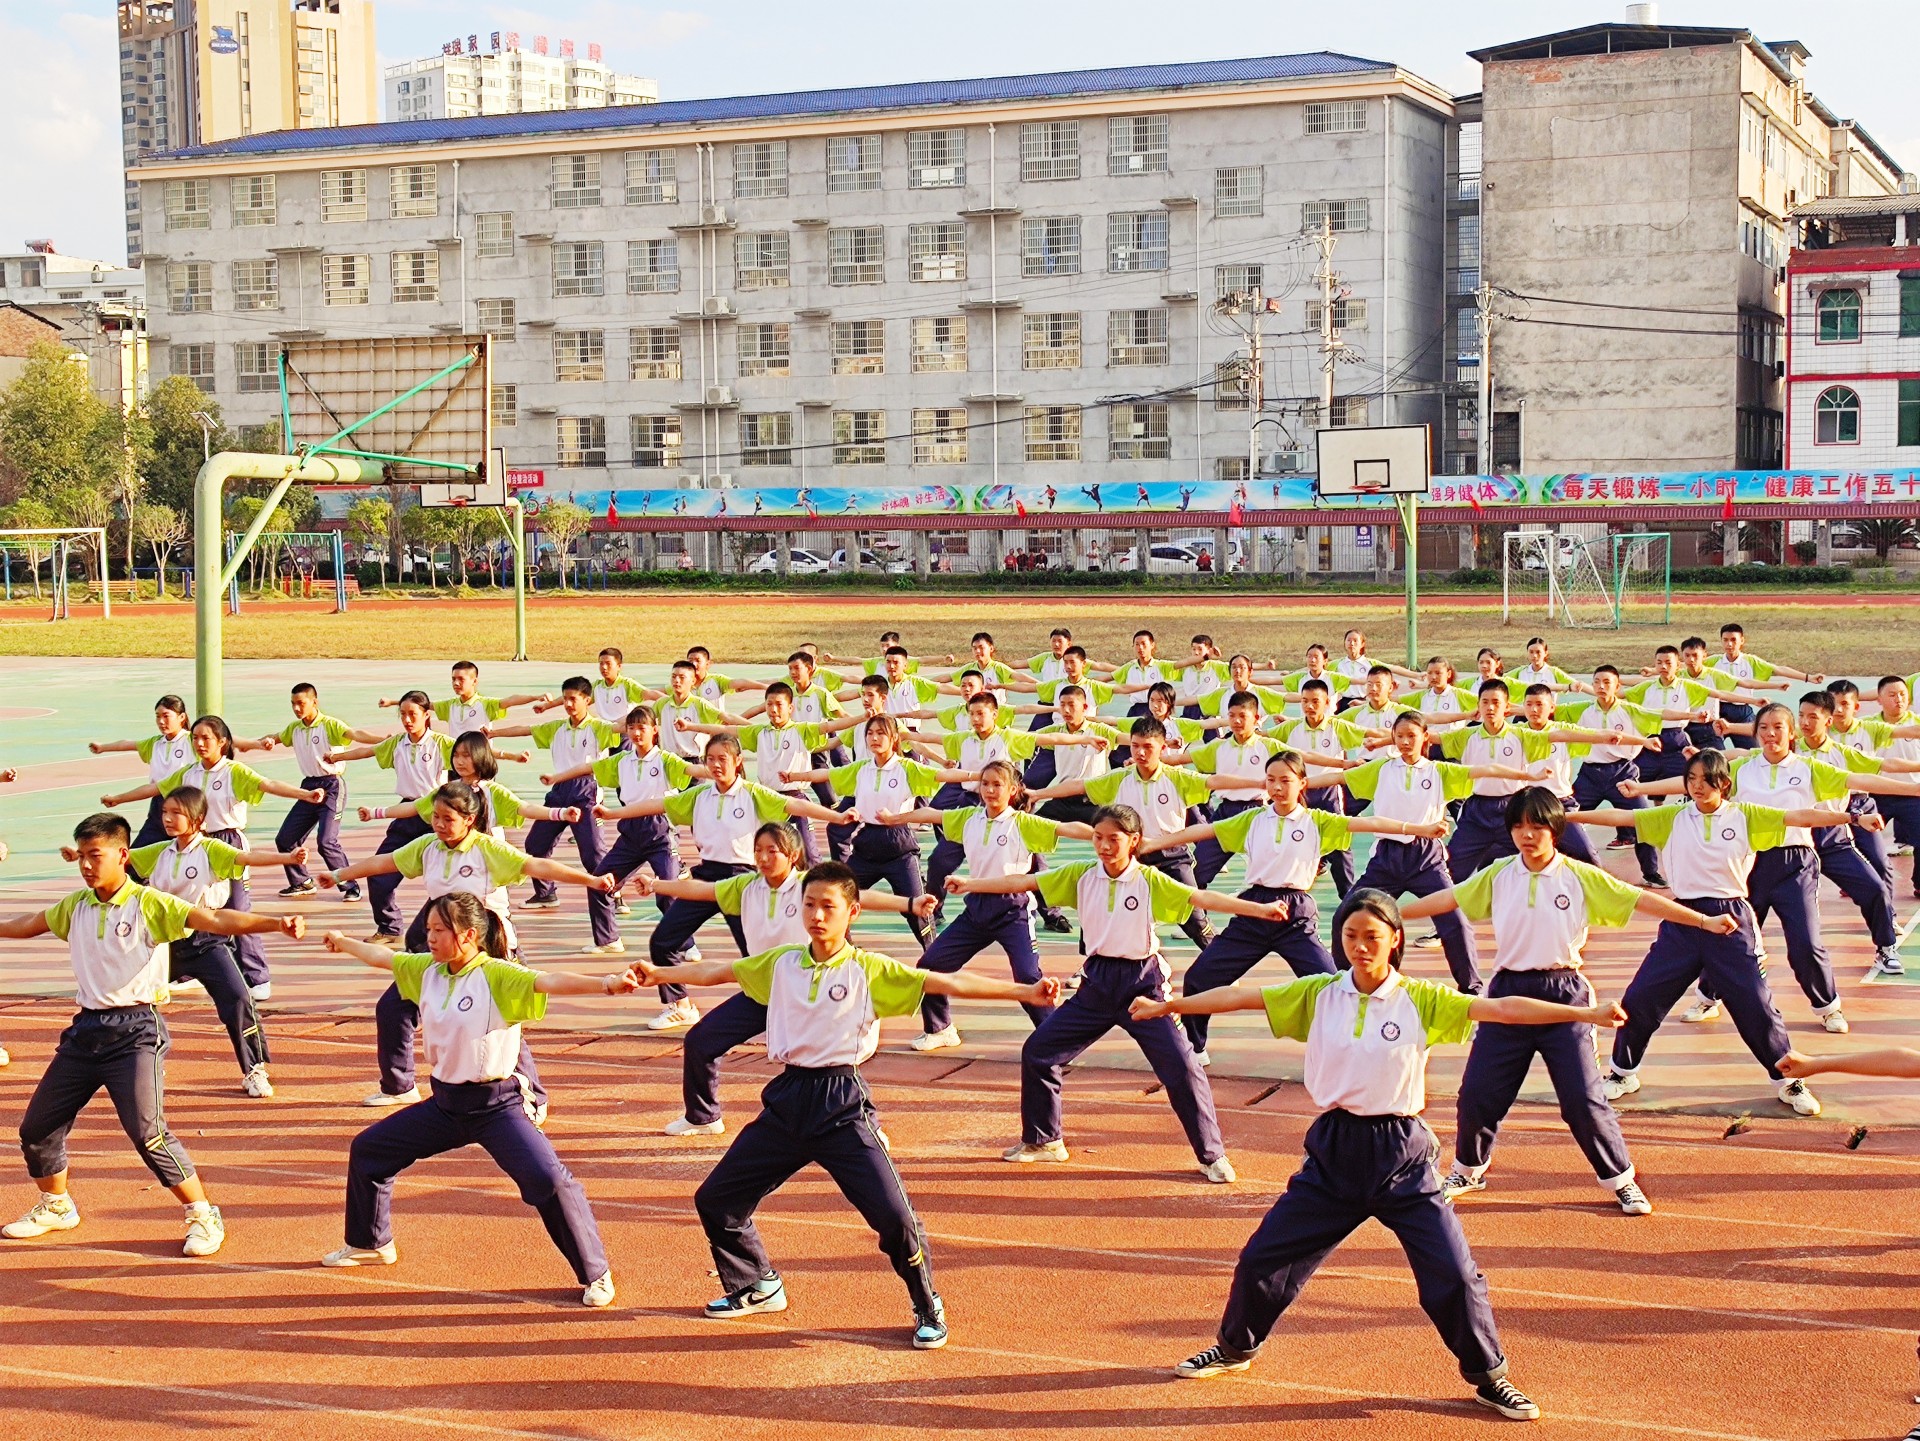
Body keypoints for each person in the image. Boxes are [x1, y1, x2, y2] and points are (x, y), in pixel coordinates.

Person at [1136, 887, 1624, 1422]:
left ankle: (1490, 1378)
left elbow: (1502, 1007)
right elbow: (1239, 997)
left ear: (1394, 941)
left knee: (1455, 1276)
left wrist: (1588, 1012)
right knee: (1262, 1260)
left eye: (1373, 937)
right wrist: (1169, 1005)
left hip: (1402, 1156)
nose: (1360, 947)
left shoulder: (1420, 998)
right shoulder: (1320, 992)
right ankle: (1235, 1348)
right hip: (1334, 1151)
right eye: (1350, 935)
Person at [636, 862, 1059, 1350]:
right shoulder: (782, 962)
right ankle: (757, 1284)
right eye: (809, 905)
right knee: (716, 1200)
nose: (816, 915)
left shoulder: (869, 969)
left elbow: (946, 983)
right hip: (788, 1101)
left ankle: (927, 1303)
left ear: (851, 912)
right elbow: (717, 971)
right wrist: (659, 973)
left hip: (842, 1104)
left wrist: (1024, 990)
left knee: (894, 1218)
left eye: (828, 907)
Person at [0, 812, 305, 1256]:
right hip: (86, 1031)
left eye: (95, 855)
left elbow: (217, 921)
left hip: (136, 1031)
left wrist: (277, 924)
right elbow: (26, 924)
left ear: (122, 855)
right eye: (81, 856)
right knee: (36, 1128)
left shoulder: (150, 904)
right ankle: (56, 1204)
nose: (86, 865)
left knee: (148, 1132)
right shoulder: (75, 906)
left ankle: (203, 1213)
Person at [1406, 788, 1722, 1215]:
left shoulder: (1578, 874)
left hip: (1565, 993)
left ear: (1554, 830)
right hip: (1507, 995)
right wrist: (1390, 910)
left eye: (1536, 826)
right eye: (1518, 826)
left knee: (1581, 1099)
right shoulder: (1500, 873)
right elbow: (1450, 899)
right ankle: (1467, 1169)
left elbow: (1642, 900)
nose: (1526, 835)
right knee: (1479, 1092)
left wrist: (1704, 920)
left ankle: (1621, 1180)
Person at [314, 894, 636, 1308]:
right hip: (445, 1104)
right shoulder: (427, 970)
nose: (428, 937)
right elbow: (382, 957)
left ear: (467, 936)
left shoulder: (497, 975)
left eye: (438, 930)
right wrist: (342, 941)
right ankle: (370, 1243)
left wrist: (607, 984)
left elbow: (549, 980)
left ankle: (596, 1272)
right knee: (369, 1150)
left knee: (549, 1181)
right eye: (428, 929)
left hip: (497, 1106)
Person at [950, 803, 1288, 1180]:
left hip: (1143, 986)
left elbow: (1201, 900)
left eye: (1114, 839)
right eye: (1098, 837)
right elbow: (1021, 882)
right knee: (1039, 1052)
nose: (1104, 846)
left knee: (1183, 1067)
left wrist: (1258, 910)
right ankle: (1045, 1140)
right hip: (1096, 984)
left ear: (1134, 841)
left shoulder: (1148, 880)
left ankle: (1211, 1155)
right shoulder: (1081, 874)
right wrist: (971, 884)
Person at [1570, 749, 1850, 1116]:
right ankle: (1623, 1073)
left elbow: (1799, 815)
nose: (1697, 787)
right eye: (1691, 780)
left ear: (1724, 783)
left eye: (1705, 780)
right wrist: (1565, 816)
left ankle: (1788, 1079)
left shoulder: (1746, 815)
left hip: (1731, 920)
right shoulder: (1672, 816)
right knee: (1640, 998)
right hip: (1682, 918)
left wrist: (1852, 817)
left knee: (1757, 1008)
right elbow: (1620, 816)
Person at [324, 779, 616, 1107]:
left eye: (447, 819)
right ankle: (399, 1085)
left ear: (469, 819)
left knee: (500, 1023)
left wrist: (590, 879)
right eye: (435, 817)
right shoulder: (427, 848)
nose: (439, 825)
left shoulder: (486, 849)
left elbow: (537, 865)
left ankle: (533, 1096)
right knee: (393, 1008)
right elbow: (385, 862)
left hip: (488, 948)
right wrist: (339, 875)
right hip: (444, 947)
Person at [633, 822, 928, 1136]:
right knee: (700, 1040)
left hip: (814, 990)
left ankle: (868, 1125)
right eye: (758, 850)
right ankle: (703, 1116)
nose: (762, 857)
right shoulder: (744, 886)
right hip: (766, 984)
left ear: (793, 855)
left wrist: (908, 904)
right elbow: (700, 890)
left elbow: (860, 897)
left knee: (833, 1066)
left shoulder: (807, 886)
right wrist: (655, 885)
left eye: (771, 851)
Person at [1149, 750, 1443, 1064]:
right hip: (1254, 910)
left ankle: (1350, 1047)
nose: (1276, 787)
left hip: (1296, 915)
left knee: (1333, 985)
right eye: (1271, 780)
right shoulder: (1253, 819)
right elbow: (1202, 831)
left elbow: (1369, 821)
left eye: (1285, 780)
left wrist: (1419, 830)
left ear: (1302, 783)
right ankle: (1195, 1048)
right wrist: (1152, 845)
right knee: (1199, 977)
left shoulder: (1318, 821)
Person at [596, 734, 853, 1031]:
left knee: (756, 953)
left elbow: (795, 807)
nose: (716, 765)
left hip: (743, 880)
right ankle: (680, 1006)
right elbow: (656, 805)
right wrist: (614, 812)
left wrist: (836, 816)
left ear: (738, 761)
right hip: (706, 877)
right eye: (710, 760)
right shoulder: (699, 796)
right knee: (663, 941)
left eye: (722, 759)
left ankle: (799, 1005)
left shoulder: (753, 794)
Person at [101, 714, 324, 1000]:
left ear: (222, 742)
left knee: (237, 909)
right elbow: (155, 788)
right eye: (195, 738)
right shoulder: (188, 773)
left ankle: (256, 977)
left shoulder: (234, 772)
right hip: (195, 841)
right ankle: (185, 971)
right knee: (186, 906)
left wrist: (305, 795)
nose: (199, 743)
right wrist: (119, 799)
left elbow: (268, 784)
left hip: (226, 841)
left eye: (206, 738)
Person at [878, 759, 1094, 1050]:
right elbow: (932, 813)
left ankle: (1055, 1041)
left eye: (997, 784)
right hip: (976, 910)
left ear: (1013, 790)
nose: (990, 790)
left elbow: (1065, 828)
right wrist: (894, 819)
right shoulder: (969, 817)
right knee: (931, 966)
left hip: (1013, 910)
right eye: (985, 783)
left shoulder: (1023, 823)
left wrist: (1103, 836)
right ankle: (940, 1029)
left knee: (1028, 979)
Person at [116, 785, 304, 1097]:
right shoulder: (158, 852)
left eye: (177, 813)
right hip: (164, 942)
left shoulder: (211, 851)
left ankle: (254, 1070)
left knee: (238, 999)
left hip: (207, 940)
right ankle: (133, 1064)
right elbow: (120, 858)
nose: (168, 818)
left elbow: (247, 857)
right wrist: (81, 854)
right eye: (165, 812)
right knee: (131, 998)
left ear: (199, 819)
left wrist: (287, 857)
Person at [1027, 717, 1267, 955]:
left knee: (1195, 919)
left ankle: (1217, 963)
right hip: (1131, 859)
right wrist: (1038, 794)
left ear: (1162, 747)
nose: (1140, 752)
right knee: (1100, 913)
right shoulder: (1119, 778)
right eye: (1135, 745)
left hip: (1172, 857)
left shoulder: (1177, 778)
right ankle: (1088, 966)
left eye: (1148, 747)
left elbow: (1214, 780)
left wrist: (1258, 783)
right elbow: (1080, 786)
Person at [1343, 712, 1542, 993]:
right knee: (1346, 915)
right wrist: (1288, 782)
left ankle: (1470, 989)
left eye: (1411, 736)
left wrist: (1526, 775)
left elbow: (1485, 770)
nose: (1404, 742)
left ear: (1425, 737)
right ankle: (1344, 980)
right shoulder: (1381, 769)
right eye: (1399, 736)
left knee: (1455, 922)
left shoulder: (1439, 771)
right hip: (1386, 858)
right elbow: (1338, 776)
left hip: (1426, 859)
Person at [778, 714, 974, 951]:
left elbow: (943, 776)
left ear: (893, 738)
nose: (874, 738)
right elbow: (826, 775)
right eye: (870, 733)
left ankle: (933, 955)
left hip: (899, 849)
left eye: (880, 733)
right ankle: (844, 950)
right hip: (866, 846)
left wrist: (977, 776)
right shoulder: (862, 769)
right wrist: (795, 777)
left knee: (916, 910)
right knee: (837, 896)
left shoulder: (907, 768)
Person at [488, 678, 623, 944]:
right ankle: (546, 893)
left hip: (585, 794)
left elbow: (623, 727)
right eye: (565, 699)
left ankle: (612, 894)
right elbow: (525, 729)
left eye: (574, 699)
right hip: (559, 791)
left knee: (594, 856)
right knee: (535, 844)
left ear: (587, 699)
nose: (568, 704)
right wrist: (493, 734)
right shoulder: (556, 729)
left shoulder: (599, 728)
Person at [326, 692, 455, 946]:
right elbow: (369, 751)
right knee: (378, 875)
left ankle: (450, 931)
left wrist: (508, 756)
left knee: (446, 881)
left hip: (435, 815)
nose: (407, 720)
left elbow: (471, 753)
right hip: (406, 813)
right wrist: (339, 757)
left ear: (426, 716)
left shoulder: (442, 743)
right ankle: (389, 927)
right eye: (403, 714)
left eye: (413, 715)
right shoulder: (397, 743)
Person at [256, 682, 386, 898]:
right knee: (285, 839)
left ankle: (350, 886)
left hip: (332, 786)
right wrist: (260, 742)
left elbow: (355, 734)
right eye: (293, 704)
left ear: (314, 702)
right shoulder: (295, 728)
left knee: (326, 841)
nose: (297, 708)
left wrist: (381, 739)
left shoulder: (329, 725)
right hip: (308, 788)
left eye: (301, 703)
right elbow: (278, 737)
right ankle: (302, 882)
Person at [88, 694, 192, 849]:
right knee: (137, 856)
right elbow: (127, 744)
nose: (161, 721)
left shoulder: (192, 741)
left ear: (181, 717)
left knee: (184, 853)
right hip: (158, 804)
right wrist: (103, 747)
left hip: (186, 805)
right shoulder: (155, 743)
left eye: (166, 716)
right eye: (157, 716)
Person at [377, 661, 548, 746]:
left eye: (461, 679)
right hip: (456, 759)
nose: (456, 683)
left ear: (474, 681)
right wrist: (392, 702)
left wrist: (535, 697)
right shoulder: (450, 705)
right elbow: (420, 704)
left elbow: (510, 700)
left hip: (480, 759)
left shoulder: (485, 704)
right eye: (453, 679)